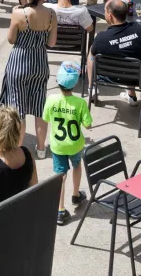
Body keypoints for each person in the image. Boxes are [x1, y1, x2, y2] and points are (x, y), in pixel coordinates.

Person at [0, 0, 58, 157]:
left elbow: (11, 39)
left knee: (18, 108)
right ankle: (41, 149)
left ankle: (17, 149)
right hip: (40, 62)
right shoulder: (51, 14)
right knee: (40, 107)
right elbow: (52, 43)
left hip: (19, 62)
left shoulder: (19, 14)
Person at [43, 61, 92, 225]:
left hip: (57, 144)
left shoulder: (51, 99)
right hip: (75, 144)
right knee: (77, 165)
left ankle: (60, 210)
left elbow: (46, 118)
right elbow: (88, 124)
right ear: (75, 83)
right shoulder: (80, 103)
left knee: (60, 175)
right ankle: (76, 194)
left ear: (57, 81)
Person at [89, 0, 141, 105]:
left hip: (108, 76)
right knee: (131, 53)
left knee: (91, 52)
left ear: (110, 16)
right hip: (135, 78)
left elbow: (93, 56)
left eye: (105, 11)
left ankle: (91, 88)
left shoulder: (101, 39)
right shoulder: (139, 30)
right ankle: (132, 95)